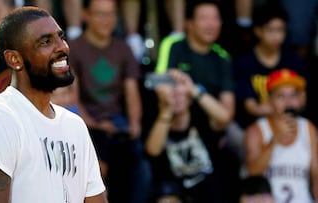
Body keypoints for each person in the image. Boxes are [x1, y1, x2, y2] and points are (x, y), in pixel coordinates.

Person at [0, 6, 107, 202]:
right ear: (14, 59)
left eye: (61, 37)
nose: (63, 47)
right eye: (46, 42)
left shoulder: (75, 126)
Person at [154, 0, 238, 202]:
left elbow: (226, 115)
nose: (211, 24)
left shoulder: (222, 57)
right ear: (189, 23)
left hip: (209, 128)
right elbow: (160, 87)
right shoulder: (173, 45)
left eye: (215, 18)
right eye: (204, 18)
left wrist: (193, 89)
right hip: (174, 122)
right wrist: (183, 95)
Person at [68, 0, 150, 202]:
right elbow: (72, 96)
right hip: (86, 122)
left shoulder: (123, 48)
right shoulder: (74, 48)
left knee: (140, 162)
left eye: (111, 14)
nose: (107, 20)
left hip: (116, 121)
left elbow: (132, 92)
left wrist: (134, 125)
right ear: (86, 15)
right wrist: (95, 124)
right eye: (100, 14)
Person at [144, 69, 221, 203]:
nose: (176, 95)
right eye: (171, 92)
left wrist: (192, 88)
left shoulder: (201, 119)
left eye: (180, 93)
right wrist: (166, 109)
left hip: (210, 192)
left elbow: (224, 118)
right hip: (176, 194)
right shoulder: (156, 122)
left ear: (190, 98)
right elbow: (153, 150)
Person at [244, 69, 318, 202]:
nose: (288, 103)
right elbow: (252, 173)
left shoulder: (308, 128)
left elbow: (316, 173)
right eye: (281, 96)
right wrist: (275, 139)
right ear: (269, 100)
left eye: (293, 96)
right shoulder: (256, 130)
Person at [234, 3, 309, 129]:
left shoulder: (293, 60)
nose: (276, 36)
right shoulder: (245, 63)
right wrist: (283, 108)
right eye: (270, 30)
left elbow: (302, 99)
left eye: (280, 30)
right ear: (258, 31)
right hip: (257, 125)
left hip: (291, 122)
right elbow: (252, 107)